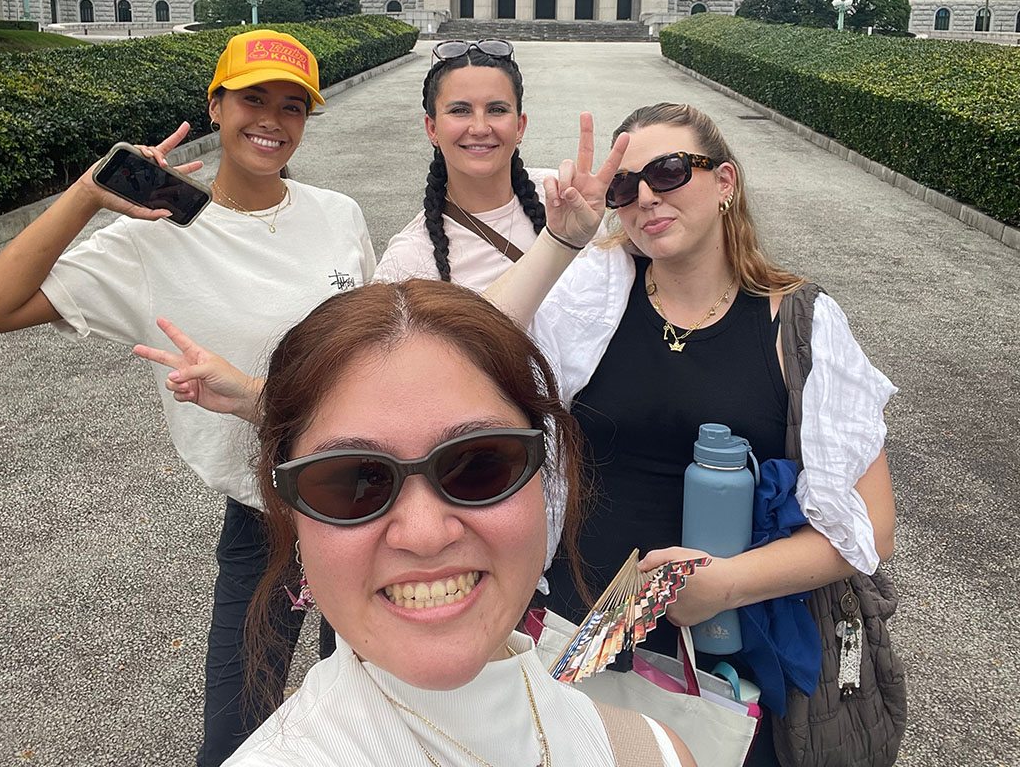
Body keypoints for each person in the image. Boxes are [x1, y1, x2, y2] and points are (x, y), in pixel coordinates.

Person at [0, 30, 374, 766]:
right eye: (253, 98)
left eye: (293, 106)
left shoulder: (338, 214)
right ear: (216, 105)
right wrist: (87, 195)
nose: (272, 120)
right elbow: (2, 304)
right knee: (236, 740)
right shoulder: (148, 239)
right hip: (268, 523)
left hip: (374, 498)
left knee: (373, 723)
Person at [485, 102, 897, 766]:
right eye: (626, 187)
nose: (646, 196)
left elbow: (871, 529)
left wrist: (726, 585)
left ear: (725, 182)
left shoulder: (801, 325)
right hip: (583, 628)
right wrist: (561, 241)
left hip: (725, 654)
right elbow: (473, 348)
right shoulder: (595, 293)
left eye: (670, 172)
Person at [222, 279, 696, 767]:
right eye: (352, 483)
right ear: (292, 515)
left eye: (479, 466)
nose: (425, 534)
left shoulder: (653, 753)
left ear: (544, 482)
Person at [374, 39, 552, 289]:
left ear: (520, 126)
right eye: (460, 111)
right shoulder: (407, 262)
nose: (480, 128)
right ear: (432, 128)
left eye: (497, 110)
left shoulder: (564, 199)